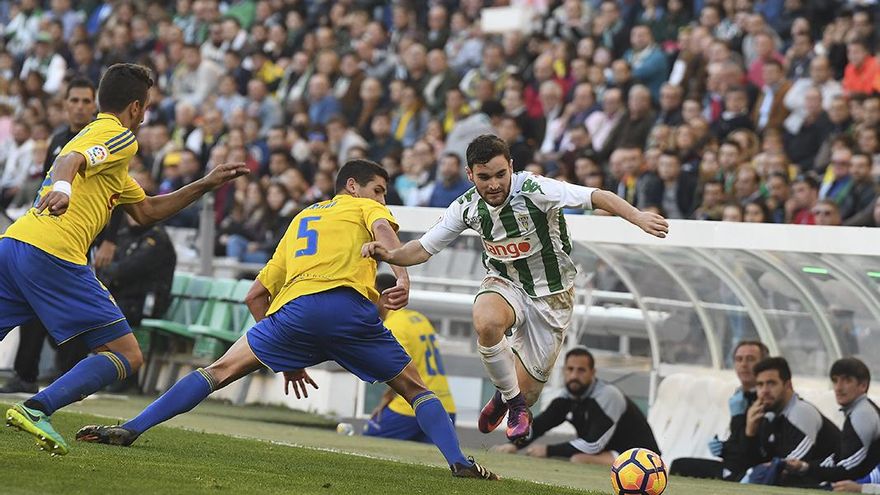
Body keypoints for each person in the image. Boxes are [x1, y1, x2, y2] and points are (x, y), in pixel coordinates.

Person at [76, 160, 498, 480]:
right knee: (414, 387)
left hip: (293, 313)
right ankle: (459, 462)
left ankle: (131, 429)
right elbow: (388, 239)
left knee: (219, 370)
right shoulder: (362, 208)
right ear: (353, 186)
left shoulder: (301, 220)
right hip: (348, 309)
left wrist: (286, 357)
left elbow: (255, 295)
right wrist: (402, 276)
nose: (382, 200)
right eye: (379, 191)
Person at [1, 63, 249, 456]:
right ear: (135, 108)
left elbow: (147, 210)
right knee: (126, 353)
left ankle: (37, 406)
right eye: (146, 106)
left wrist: (205, 183)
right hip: (54, 253)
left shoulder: (109, 162)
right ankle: (38, 407)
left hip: (15, 245)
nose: (146, 115)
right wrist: (63, 188)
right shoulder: (117, 136)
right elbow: (70, 161)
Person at [362, 134, 668, 445]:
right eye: (483, 177)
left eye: (500, 175)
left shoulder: (537, 189)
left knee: (531, 392)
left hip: (551, 296)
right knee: (486, 322)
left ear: (511, 167)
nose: (493, 184)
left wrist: (637, 217)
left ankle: (505, 399)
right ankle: (515, 405)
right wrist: (390, 256)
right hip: (504, 283)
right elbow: (423, 249)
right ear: (470, 175)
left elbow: (597, 195)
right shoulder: (466, 207)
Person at [0, 77, 99, 394]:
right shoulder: (58, 139)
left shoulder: (98, 141)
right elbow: (46, 186)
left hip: (81, 241)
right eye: (75, 100)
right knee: (31, 307)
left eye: (86, 101)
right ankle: (25, 374)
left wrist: (109, 240)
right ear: (65, 103)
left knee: (76, 311)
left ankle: (70, 378)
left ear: (95, 105)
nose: (80, 106)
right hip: (44, 238)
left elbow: (113, 194)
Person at [491, 346, 659, 466]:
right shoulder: (568, 396)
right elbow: (542, 424)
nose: (574, 375)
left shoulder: (608, 395)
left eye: (581, 370)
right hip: (609, 453)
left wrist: (548, 451)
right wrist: (514, 444)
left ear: (592, 373)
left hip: (642, 457)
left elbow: (592, 445)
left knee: (579, 459)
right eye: (570, 369)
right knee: (577, 457)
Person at [364, 273, 456, 442]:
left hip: (412, 407)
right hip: (445, 406)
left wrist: (386, 398)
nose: (368, 299)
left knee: (366, 441)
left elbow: (402, 370)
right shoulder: (419, 318)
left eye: (371, 294)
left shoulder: (393, 325)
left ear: (383, 296)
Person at [670, 340, 769, 481]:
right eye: (739, 359)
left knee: (680, 466)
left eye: (751, 359)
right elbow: (739, 442)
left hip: (745, 471)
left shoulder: (764, 399)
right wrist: (724, 448)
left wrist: (738, 418)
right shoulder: (740, 395)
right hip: (732, 465)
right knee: (679, 464)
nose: (744, 365)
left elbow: (751, 450)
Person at [741, 357, 840, 487]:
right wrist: (750, 433)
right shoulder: (769, 416)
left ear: (788, 385)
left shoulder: (801, 412)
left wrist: (755, 471)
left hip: (833, 482)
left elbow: (789, 465)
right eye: (760, 385)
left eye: (771, 383)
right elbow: (752, 463)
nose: (764, 391)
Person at [783, 358, 880, 486]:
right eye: (835, 380)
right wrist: (805, 467)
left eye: (846, 380)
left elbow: (850, 468)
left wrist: (807, 469)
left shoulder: (862, 414)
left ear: (863, 385)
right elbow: (839, 460)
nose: (838, 388)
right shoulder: (858, 410)